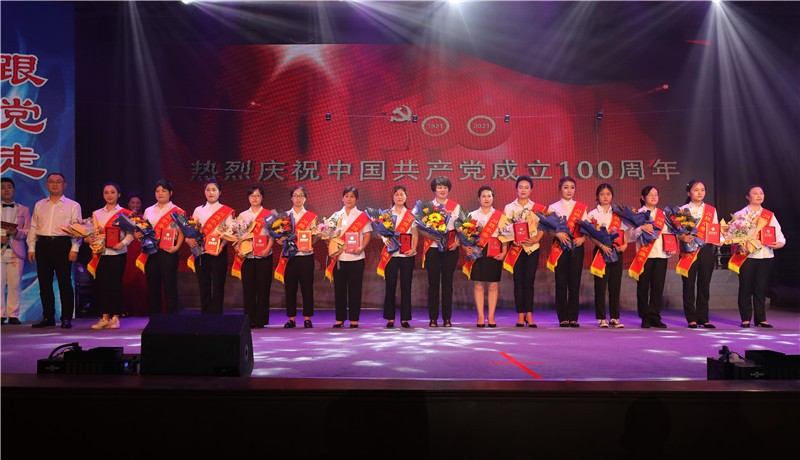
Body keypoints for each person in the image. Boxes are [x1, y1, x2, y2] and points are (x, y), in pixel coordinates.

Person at [27, 172, 82, 329]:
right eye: (51, 181)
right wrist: (31, 247)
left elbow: (78, 229)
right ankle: (48, 317)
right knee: (44, 283)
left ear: (64, 185)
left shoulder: (73, 205)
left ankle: (66, 318)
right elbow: (33, 227)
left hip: (62, 245)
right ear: (47, 185)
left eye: (58, 181)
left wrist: (75, 248)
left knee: (64, 282)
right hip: (43, 244)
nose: (55, 184)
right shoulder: (39, 204)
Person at [730, 185, 785, 328]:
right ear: (747, 196)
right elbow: (731, 236)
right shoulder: (740, 214)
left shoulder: (769, 215)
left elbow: (779, 236)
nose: (759, 195)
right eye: (755, 193)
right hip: (746, 257)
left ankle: (761, 319)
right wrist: (738, 244)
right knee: (745, 287)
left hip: (765, 255)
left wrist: (778, 244)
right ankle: (745, 318)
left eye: (761, 193)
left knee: (761, 288)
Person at [88, 183, 134, 330]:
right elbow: (93, 233)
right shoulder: (96, 213)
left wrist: (123, 243)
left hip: (118, 253)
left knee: (115, 285)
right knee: (102, 286)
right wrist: (90, 239)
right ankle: (104, 317)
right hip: (101, 254)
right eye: (106, 192)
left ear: (119, 194)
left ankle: (115, 318)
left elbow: (131, 234)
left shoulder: (125, 213)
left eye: (113, 192)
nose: (109, 195)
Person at [503, 176, 547, 328]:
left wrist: (536, 239)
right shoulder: (509, 207)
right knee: (518, 282)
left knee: (529, 282)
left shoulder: (537, 208)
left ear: (531, 190)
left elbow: (543, 227)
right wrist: (512, 239)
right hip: (516, 248)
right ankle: (520, 315)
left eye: (526, 187)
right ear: (516, 189)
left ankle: (529, 314)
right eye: (520, 187)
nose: (523, 190)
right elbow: (504, 228)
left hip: (532, 248)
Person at [186, 178, 234, 315]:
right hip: (201, 251)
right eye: (208, 190)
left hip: (219, 251)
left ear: (220, 192)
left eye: (214, 190)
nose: (211, 192)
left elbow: (230, 232)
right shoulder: (198, 210)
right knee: (204, 283)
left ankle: (217, 314)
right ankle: (206, 314)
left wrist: (221, 246)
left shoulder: (226, 210)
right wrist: (188, 240)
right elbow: (191, 230)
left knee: (218, 284)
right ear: (204, 192)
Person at [678, 179, 721, 329]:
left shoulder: (711, 210)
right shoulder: (682, 210)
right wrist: (682, 237)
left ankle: (703, 317)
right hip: (688, 250)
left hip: (706, 250)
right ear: (689, 192)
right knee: (688, 284)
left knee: (704, 284)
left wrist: (721, 239)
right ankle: (691, 318)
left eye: (702, 190)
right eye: (696, 190)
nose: (699, 193)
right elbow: (676, 231)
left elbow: (714, 229)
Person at [328, 186, 371, 328]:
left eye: (352, 196)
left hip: (356, 258)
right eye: (346, 196)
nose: (349, 199)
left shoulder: (362, 216)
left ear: (356, 199)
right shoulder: (336, 216)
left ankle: (354, 319)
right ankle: (339, 319)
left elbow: (367, 234)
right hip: (339, 259)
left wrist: (361, 247)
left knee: (355, 290)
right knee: (339, 290)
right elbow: (329, 235)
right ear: (342, 198)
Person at [630, 185, 673, 328]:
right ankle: (645, 317)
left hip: (661, 254)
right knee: (643, 287)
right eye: (650, 194)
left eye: (656, 194)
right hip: (644, 255)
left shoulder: (663, 214)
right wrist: (641, 228)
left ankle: (655, 316)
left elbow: (669, 233)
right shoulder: (637, 213)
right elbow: (630, 235)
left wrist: (671, 247)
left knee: (657, 287)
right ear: (643, 198)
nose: (654, 197)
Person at [464, 186, 507, 328]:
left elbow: (505, 236)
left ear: (493, 198)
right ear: (479, 198)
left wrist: (504, 251)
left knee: (493, 284)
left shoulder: (500, 216)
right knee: (478, 284)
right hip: (477, 250)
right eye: (483, 196)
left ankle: (491, 316)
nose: (486, 199)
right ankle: (481, 316)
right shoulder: (472, 215)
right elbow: (465, 236)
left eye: (489, 196)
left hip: (494, 250)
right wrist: (466, 248)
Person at [586, 183, 628, 328]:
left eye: (608, 194)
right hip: (601, 252)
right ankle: (601, 318)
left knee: (615, 285)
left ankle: (615, 317)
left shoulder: (617, 213)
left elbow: (623, 232)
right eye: (602, 194)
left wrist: (625, 245)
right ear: (597, 196)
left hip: (616, 251)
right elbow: (591, 235)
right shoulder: (592, 214)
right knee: (600, 286)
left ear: (612, 196)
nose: (605, 197)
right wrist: (602, 246)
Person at [548, 176, 587, 328]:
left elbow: (587, 228)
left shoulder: (581, 208)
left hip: (577, 247)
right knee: (561, 283)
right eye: (566, 187)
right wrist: (557, 234)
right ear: (560, 189)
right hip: (560, 247)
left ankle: (573, 317)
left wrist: (582, 239)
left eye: (572, 187)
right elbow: (548, 229)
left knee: (574, 283)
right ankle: (563, 317)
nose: (569, 190)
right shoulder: (553, 207)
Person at [141, 179, 185, 315]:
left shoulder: (177, 211)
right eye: (157, 191)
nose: (160, 193)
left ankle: (172, 318)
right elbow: (144, 229)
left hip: (168, 250)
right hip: (151, 251)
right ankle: (155, 318)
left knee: (169, 285)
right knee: (153, 286)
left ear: (170, 193)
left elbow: (182, 231)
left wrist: (177, 247)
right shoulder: (148, 210)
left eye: (164, 191)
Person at [277, 185, 318, 329]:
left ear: (305, 198)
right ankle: (291, 319)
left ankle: (307, 318)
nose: (298, 198)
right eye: (295, 195)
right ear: (291, 198)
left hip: (306, 256)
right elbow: (279, 237)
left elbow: (315, 236)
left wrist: (311, 242)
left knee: (307, 287)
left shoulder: (311, 216)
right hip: (290, 257)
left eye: (301, 196)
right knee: (290, 288)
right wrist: (280, 239)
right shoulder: (284, 216)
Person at [423, 176, 461, 327]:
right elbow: (419, 228)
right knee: (433, 283)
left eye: (445, 187)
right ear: (434, 189)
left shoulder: (455, 207)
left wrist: (457, 243)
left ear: (448, 189)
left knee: (447, 283)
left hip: (450, 249)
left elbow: (461, 228)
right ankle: (433, 318)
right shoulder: (427, 207)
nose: (442, 190)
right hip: (432, 248)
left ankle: (447, 318)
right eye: (439, 187)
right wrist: (430, 236)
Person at [234, 185, 273, 328]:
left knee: (263, 289)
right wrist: (238, 247)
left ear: (262, 197)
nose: (254, 198)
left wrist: (267, 249)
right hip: (248, 257)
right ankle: (249, 319)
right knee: (248, 289)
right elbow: (236, 235)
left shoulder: (269, 215)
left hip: (264, 255)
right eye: (252, 195)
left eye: (258, 195)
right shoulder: (242, 215)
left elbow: (273, 235)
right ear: (248, 198)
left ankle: (261, 320)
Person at [380, 185, 417, 329]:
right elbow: (381, 231)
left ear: (406, 197)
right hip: (391, 255)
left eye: (402, 194)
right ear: (392, 197)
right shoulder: (387, 213)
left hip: (407, 255)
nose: (399, 197)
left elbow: (415, 234)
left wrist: (413, 249)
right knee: (390, 285)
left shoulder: (411, 214)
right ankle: (390, 318)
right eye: (397, 194)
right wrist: (384, 239)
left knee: (406, 286)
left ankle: (405, 318)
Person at [1, 177, 30, 326]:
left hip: (16, 251)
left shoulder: (24, 209)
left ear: (14, 190)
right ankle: (0, 315)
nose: (6, 190)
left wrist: (17, 233)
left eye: (9, 187)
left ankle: (13, 315)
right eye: (2, 187)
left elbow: (29, 230)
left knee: (15, 284)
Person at [121, 193, 147, 317]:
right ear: (128, 204)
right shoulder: (123, 217)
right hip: (128, 248)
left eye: (138, 203)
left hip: (141, 248)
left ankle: (143, 308)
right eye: (132, 202)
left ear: (141, 205)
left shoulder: (144, 218)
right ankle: (126, 308)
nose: (135, 205)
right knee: (128, 275)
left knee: (142, 276)